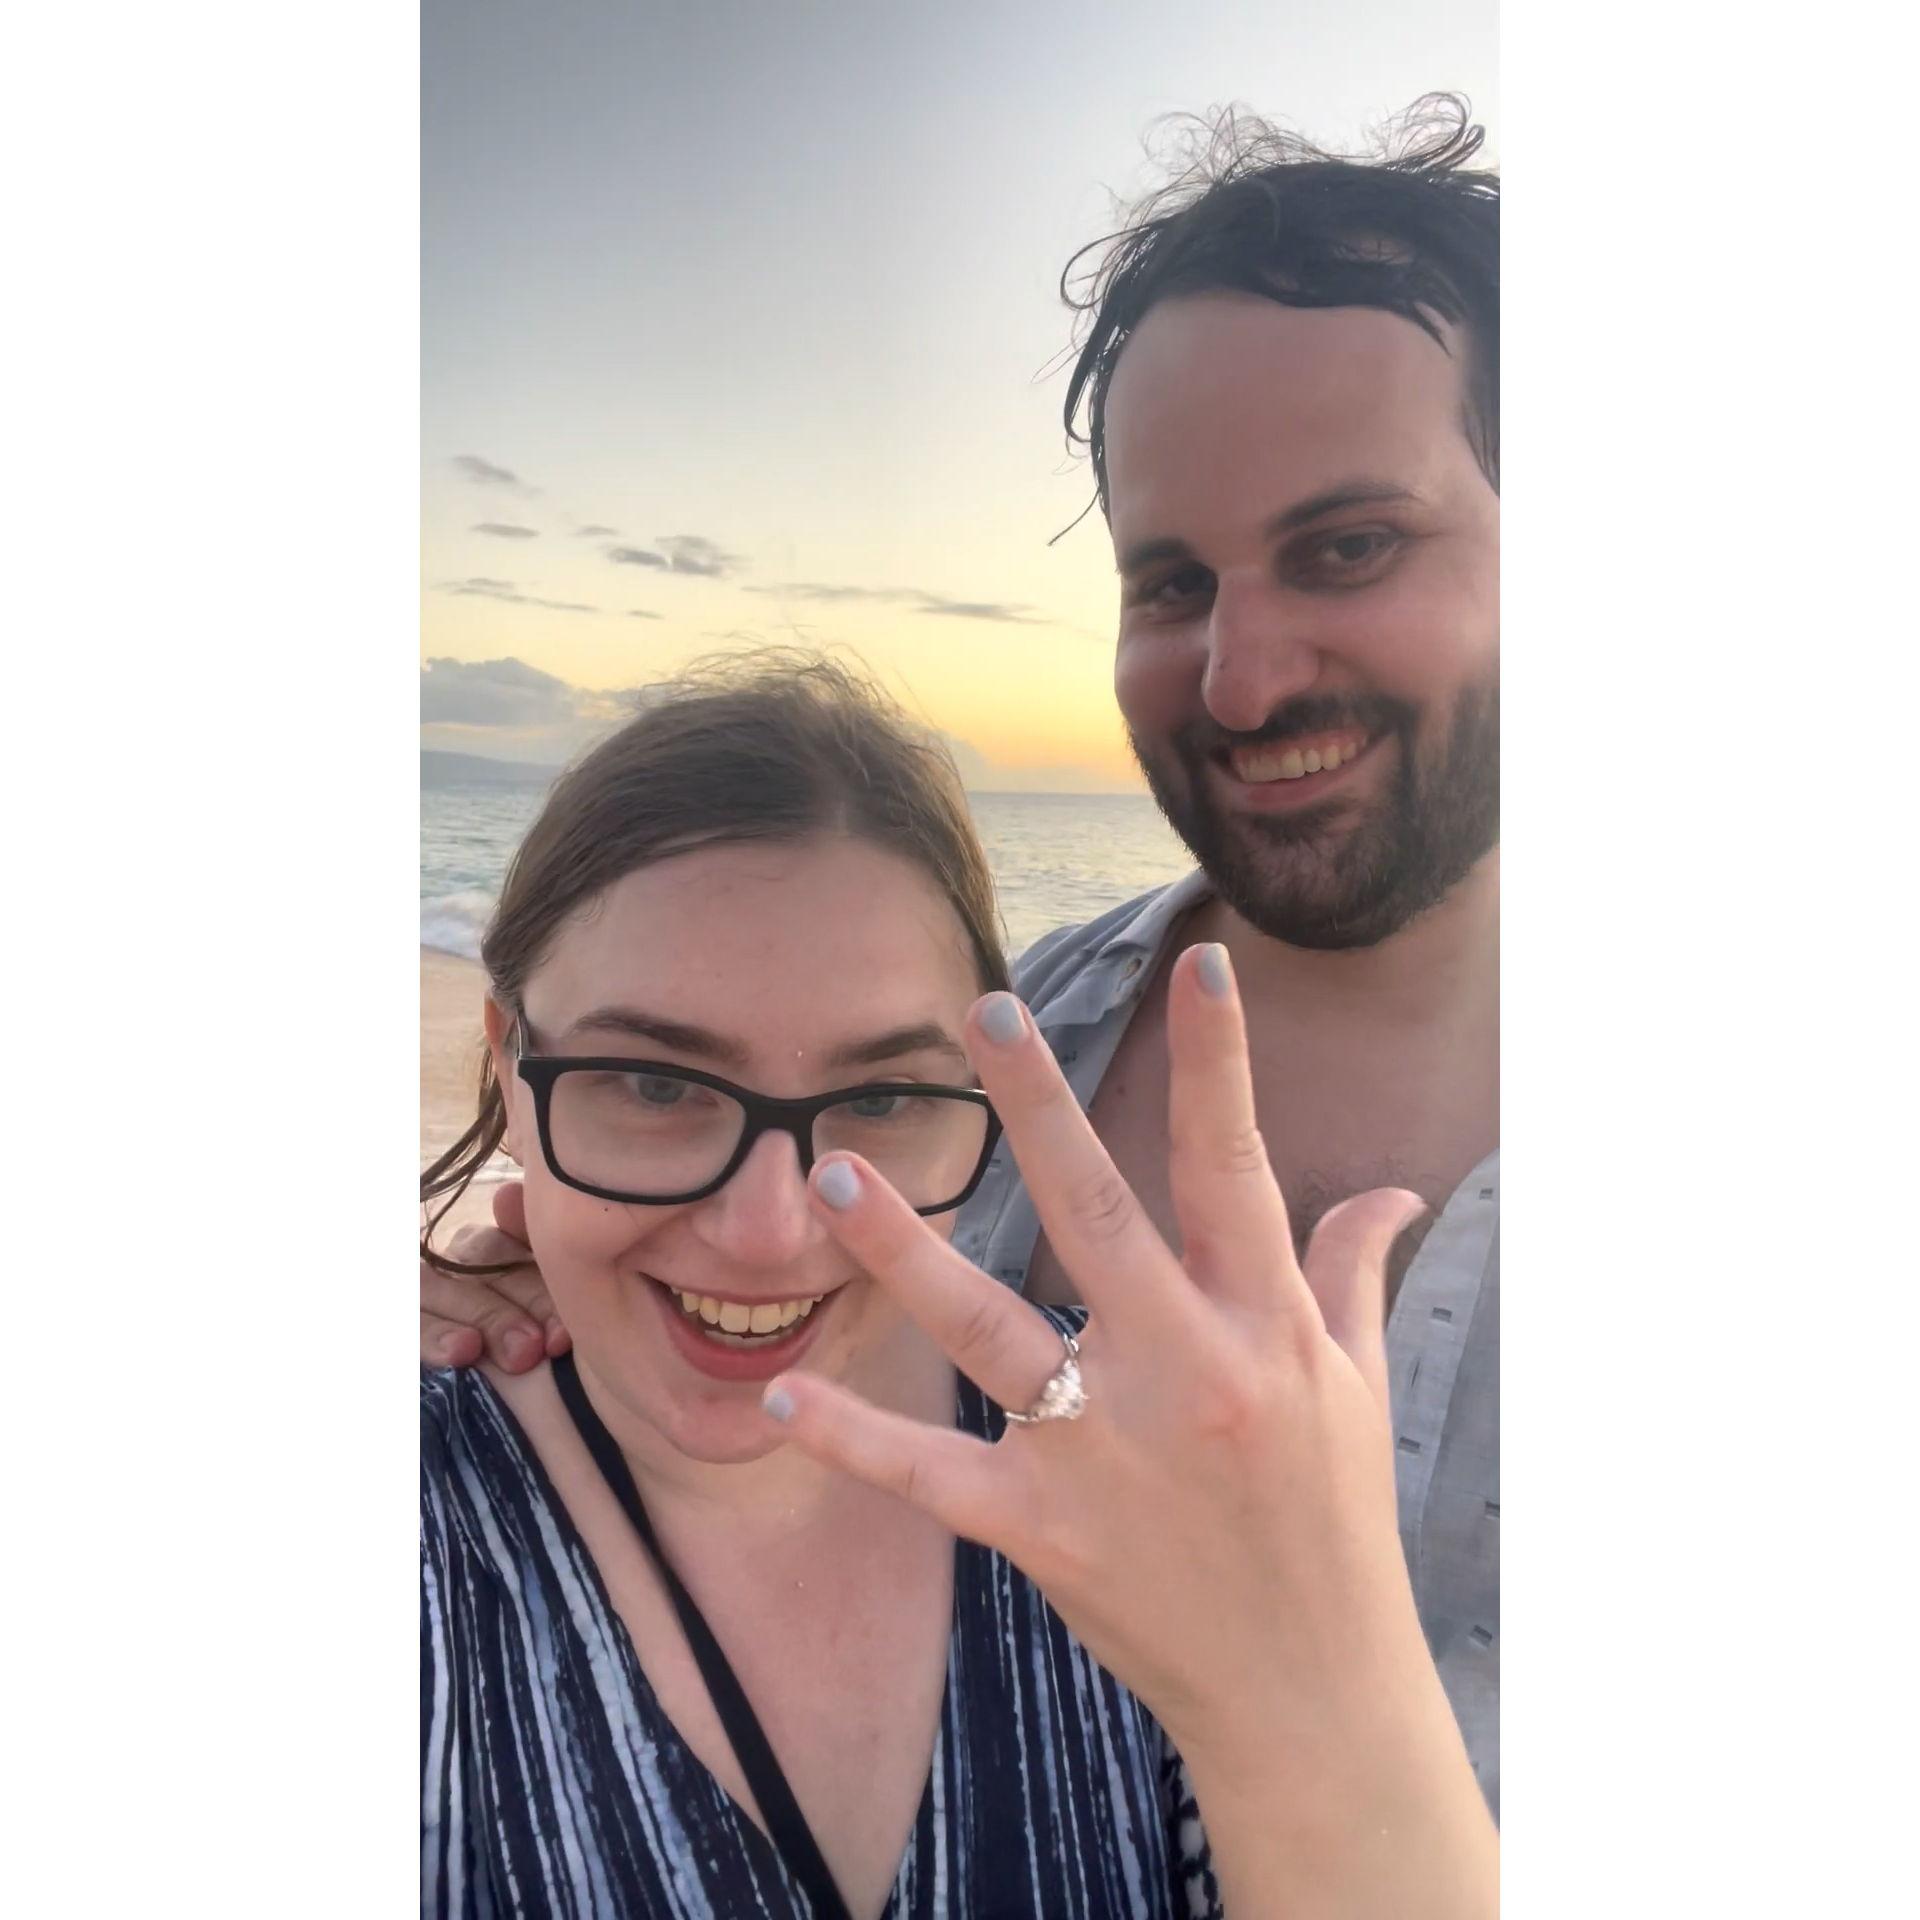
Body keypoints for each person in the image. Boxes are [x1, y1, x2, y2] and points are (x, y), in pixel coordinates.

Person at [423, 93, 1502, 1814]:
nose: (1236, 677)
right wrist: (570, 1275)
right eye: (1167, 583)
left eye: (1349, 546)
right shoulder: (978, 1045)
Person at [421, 653, 1494, 1918]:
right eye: (654, 1086)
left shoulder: (1152, 1468)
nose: (770, 1232)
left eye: (878, 1099)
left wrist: (1328, 1677)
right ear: (510, 1054)